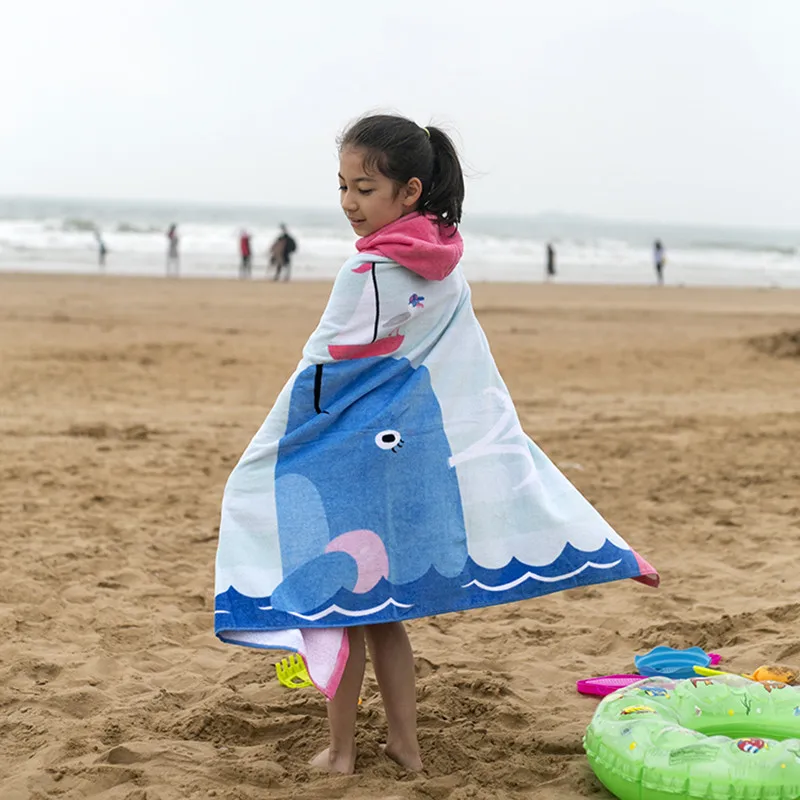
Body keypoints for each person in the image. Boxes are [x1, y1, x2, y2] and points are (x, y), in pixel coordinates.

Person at [214, 114, 658, 775]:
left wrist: (272, 450)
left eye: (365, 188)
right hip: (407, 459)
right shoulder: (447, 264)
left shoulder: (366, 270)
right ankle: (406, 745)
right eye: (342, 187)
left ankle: (340, 753)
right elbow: (462, 369)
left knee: (337, 609)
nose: (349, 203)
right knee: (383, 612)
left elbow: (318, 373)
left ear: (410, 190)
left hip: (353, 463)